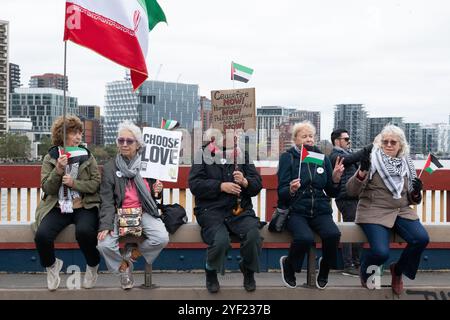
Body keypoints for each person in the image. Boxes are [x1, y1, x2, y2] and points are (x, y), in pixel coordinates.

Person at [346, 125, 429, 295]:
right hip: (373, 210)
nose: (389, 145)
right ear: (380, 144)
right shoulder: (372, 160)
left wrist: (416, 192)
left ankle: (397, 271)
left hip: (401, 210)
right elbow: (351, 191)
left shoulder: (406, 164)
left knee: (421, 239)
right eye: (385, 142)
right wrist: (361, 172)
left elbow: (413, 200)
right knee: (381, 253)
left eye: (393, 142)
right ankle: (365, 269)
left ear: (401, 146)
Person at [188, 128, 263, 293]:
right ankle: (211, 270)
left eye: (233, 134)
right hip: (211, 211)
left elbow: (257, 184)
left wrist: (245, 182)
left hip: (239, 210)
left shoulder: (242, 155)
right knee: (220, 241)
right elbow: (195, 184)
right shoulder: (203, 154)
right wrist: (220, 186)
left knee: (253, 236)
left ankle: (248, 269)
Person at [97, 120, 169, 290]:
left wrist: (157, 190)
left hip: (143, 211)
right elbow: (106, 200)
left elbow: (154, 197)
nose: (124, 144)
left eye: (129, 141)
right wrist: (106, 225)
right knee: (104, 244)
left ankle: (133, 253)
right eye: (120, 140)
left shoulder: (149, 165)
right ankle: (123, 267)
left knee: (161, 238)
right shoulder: (109, 168)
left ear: (138, 144)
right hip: (118, 213)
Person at [33, 115, 101, 291]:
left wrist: (74, 184)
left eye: (80, 133)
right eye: (73, 133)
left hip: (83, 206)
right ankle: (52, 266)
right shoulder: (51, 157)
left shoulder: (87, 156)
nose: (79, 137)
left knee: (85, 232)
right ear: (62, 135)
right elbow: (47, 188)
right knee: (42, 235)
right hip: (58, 206)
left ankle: (93, 265)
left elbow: (95, 183)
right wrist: (58, 170)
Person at [278, 121, 344, 289]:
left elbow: (331, 192)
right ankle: (290, 265)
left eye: (311, 136)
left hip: (320, 209)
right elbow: (282, 192)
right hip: (296, 209)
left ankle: (325, 267)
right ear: (295, 139)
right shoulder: (288, 157)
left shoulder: (321, 158)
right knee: (304, 238)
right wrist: (291, 189)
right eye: (304, 136)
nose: (309, 139)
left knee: (332, 234)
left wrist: (336, 180)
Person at [330, 129, 371, 276]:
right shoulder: (335, 155)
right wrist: (371, 147)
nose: (349, 141)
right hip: (346, 198)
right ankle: (348, 265)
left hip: (356, 197)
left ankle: (356, 262)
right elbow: (351, 159)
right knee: (349, 230)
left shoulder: (348, 153)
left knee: (358, 230)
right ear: (337, 141)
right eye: (346, 139)